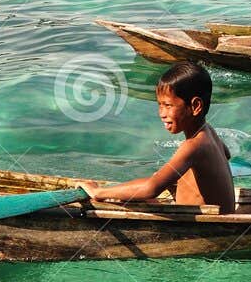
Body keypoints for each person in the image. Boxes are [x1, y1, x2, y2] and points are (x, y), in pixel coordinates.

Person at [85, 61, 236, 213]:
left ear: (195, 106)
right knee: (145, 187)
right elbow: (226, 155)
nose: (162, 113)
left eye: (168, 105)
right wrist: (183, 181)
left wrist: (98, 192)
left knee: (133, 195)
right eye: (160, 105)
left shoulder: (193, 145)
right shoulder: (209, 133)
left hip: (206, 227)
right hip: (219, 216)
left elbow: (152, 189)